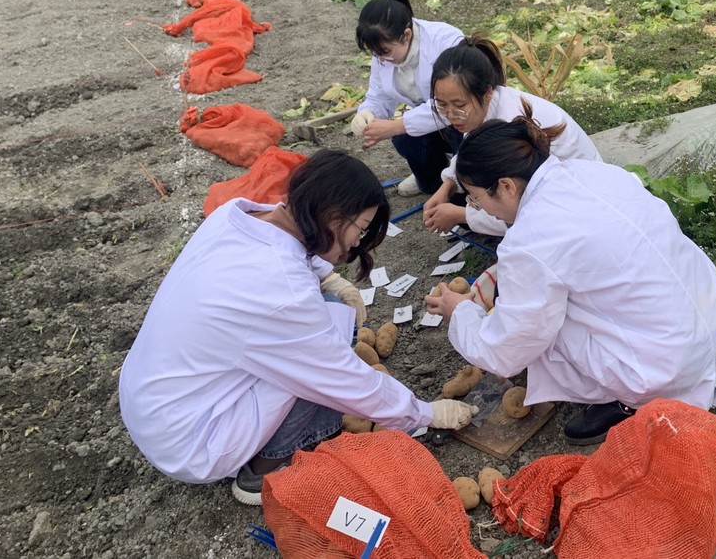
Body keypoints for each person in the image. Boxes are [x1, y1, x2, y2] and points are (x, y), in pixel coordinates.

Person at [118, 150, 477, 506]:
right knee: (326, 355)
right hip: (192, 441)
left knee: (331, 314)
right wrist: (426, 413)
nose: (357, 244)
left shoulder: (235, 214)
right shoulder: (284, 291)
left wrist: (330, 278)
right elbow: (341, 377)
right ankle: (264, 469)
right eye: (361, 229)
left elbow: (284, 248)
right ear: (334, 215)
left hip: (152, 402)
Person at [424, 117, 716, 445]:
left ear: (507, 185)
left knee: (538, 329)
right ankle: (652, 384)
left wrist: (463, 313)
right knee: (538, 301)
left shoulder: (529, 239)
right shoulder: (591, 172)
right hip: (700, 317)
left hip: (662, 363)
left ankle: (631, 403)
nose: (480, 208)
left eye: (478, 198)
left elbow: (505, 352)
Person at [421, 36, 600, 238]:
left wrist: (462, 215)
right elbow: (470, 153)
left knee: (464, 203)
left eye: (459, 105)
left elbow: (520, 205)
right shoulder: (484, 108)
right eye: (442, 104)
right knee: (461, 193)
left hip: (577, 201)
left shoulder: (509, 123)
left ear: (487, 93)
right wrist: (447, 186)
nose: (451, 115)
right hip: (540, 189)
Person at [351, 0, 465, 196]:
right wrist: (367, 113)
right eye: (376, 54)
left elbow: (453, 104)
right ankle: (432, 180)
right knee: (406, 138)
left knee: (406, 131)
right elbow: (378, 95)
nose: (381, 59)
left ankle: (463, 181)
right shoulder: (383, 54)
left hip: (465, 119)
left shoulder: (446, 41)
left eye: (385, 52)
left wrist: (396, 126)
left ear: (407, 35)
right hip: (432, 120)